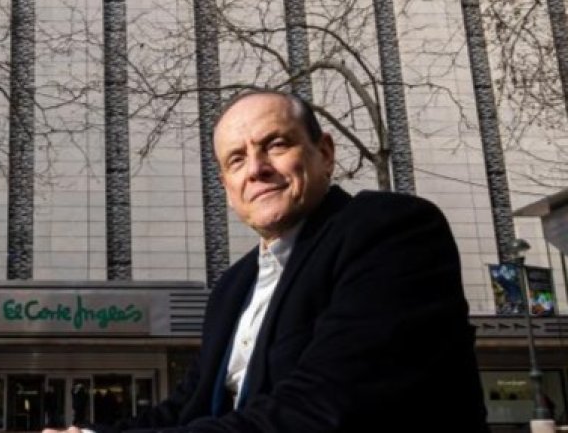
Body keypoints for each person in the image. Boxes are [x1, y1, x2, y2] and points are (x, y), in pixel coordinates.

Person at [43, 89, 488, 432]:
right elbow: (189, 405)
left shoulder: (391, 231)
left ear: (325, 153)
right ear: (227, 184)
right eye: (236, 160)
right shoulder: (234, 285)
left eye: (275, 145)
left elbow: (324, 409)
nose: (255, 168)